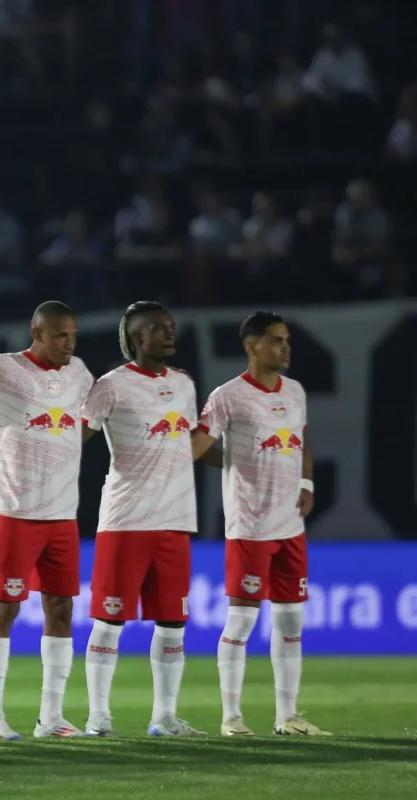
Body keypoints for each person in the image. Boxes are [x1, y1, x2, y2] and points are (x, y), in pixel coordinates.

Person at [190, 311, 329, 737]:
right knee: (243, 621)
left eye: (286, 340)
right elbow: (199, 443)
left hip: (291, 527)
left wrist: (306, 481)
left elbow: (302, 442)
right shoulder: (228, 396)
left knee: (291, 622)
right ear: (252, 347)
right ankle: (232, 718)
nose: (286, 348)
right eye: (276, 340)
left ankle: (288, 716)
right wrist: (172, 453)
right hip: (249, 527)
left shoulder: (295, 391)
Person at [80, 301, 203, 737]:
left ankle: (164, 718)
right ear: (137, 338)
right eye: (157, 329)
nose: (169, 334)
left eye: (171, 326)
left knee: (172, 621)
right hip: (126, 519)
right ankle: (98, 717)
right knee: (110, 619)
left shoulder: (184, 385)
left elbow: (186, 443)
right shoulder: (111, 385)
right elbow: (75, 436)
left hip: (175, 519)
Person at [0, 301, 94, 739]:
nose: (69, 343)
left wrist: (58, 442)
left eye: (73, 336)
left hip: (63, 511)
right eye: (60, 335)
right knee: (5, 607)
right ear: (37, 332)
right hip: (16, 509)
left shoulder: (79, 372)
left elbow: (86, 419)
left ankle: (52, 718)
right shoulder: (2, 368)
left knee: (61, 608)